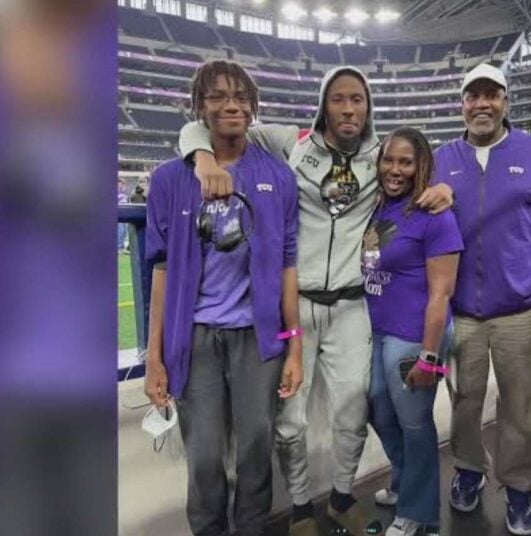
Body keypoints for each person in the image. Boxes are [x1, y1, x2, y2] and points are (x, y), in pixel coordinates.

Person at [179, 64, 454, 536]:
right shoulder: (291, 140)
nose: (348, 108)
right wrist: (201, 157)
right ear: (323, 102)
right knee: (289, 421)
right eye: (338, 98)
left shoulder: (380, 153)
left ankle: (343, 497)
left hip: (352, 305)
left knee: (352, 408)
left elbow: (422, 165)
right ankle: (303, 508)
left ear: (369, 108)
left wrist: (446, 187)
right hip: (295, 303)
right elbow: (199, 125)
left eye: (358, 100)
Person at [144, 60, 303, 536]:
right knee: (205, 455)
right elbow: (162, 270)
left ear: (253, 107)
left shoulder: (279, 176)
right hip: (195, 338)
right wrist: (154, 357)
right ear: (199, 108)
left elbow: (288, 265)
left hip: (258, 339)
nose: (230, 104)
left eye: (240, 96)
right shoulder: (171, 179)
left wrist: (295, 345)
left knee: (256, 447)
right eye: (216, 96)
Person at [432, 63, 531, 535]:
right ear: (462, 104)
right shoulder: (440, 159)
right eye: (473, 96)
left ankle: (519, 487)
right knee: (464, 405)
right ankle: (469, 473)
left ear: (505, 101)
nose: (482, 104)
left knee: (519, 407)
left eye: (491, 95)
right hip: (462, 313)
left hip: (523, 311)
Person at [363, 127, 463, 536]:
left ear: (421, 165)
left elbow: (441, 294)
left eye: (406, 161)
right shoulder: (377, 207)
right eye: (389, 159)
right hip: (380, 332)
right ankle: (407, 484)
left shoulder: (436, 216)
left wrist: (430, 357)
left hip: (417, 335)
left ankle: (420, 515)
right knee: (377, 409)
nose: (395, 169)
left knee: (416, 424)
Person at [117, 178, 129, 252]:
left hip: (125, 214)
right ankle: (119, 246)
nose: (121, 186)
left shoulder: (123, 194)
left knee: (125, 230)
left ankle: (121, 246)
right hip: (119, 214)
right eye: (120, 184)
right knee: (120, 230)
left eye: (123, 184)